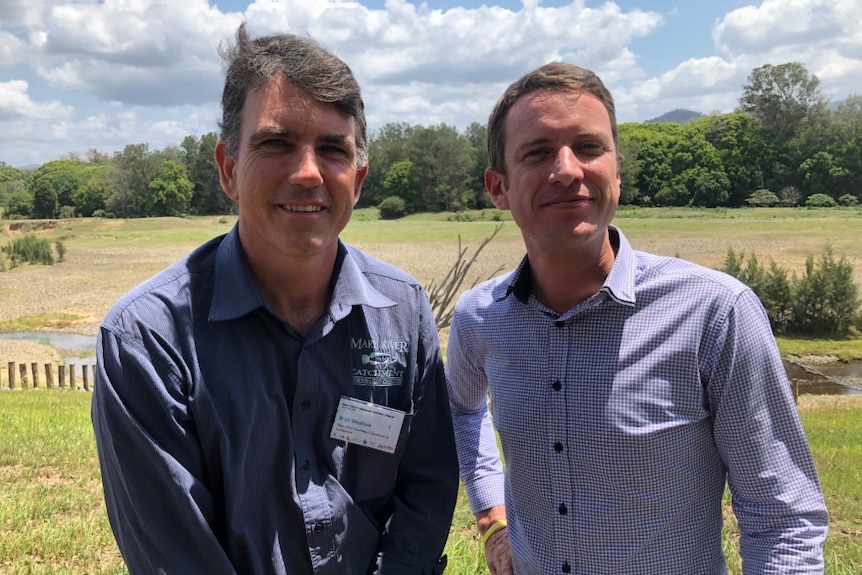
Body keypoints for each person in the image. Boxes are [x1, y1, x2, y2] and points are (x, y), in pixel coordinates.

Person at [92, 23, 458, 575]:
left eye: (332, 150)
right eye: (276, 143)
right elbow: (176, 554)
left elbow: (425, 488)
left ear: (357, 181)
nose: (308, 172)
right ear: (229, 169)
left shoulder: (403, 314)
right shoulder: (146, 341)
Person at [446, 61, 828, 574]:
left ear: (617, 173)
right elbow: (464, 412)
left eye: (588, 147)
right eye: (537, 152)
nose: (566, 169)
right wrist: (492, 515)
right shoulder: (478, 319)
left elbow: (782, 518)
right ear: (499, 187)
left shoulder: (715, 314)